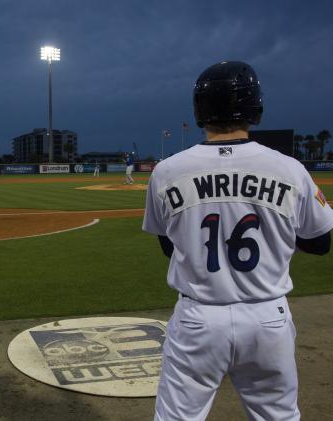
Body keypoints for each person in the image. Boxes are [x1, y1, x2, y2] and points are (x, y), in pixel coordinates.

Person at [142, 61, 333, 420]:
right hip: (268, 318)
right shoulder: (291, 169)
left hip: (198, 319)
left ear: (200, 110)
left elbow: (170, 245)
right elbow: (321, 243)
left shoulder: (167, 171)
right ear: (254, 106)